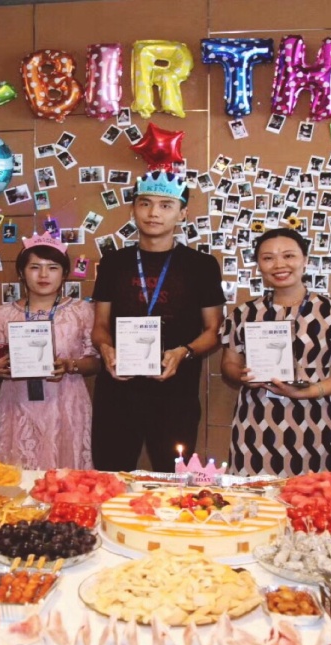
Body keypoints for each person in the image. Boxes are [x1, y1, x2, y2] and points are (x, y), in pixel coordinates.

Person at [90, 170, 225, 472]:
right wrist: (106, 349)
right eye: (145, 203)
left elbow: (214, 331)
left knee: (173, 479)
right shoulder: (113, 263)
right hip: (117, 389)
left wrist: (183, 352)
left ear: (182, 213)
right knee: (110, 475)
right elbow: (99, 326)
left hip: (176, 392)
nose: (153, 213)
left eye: (166, 205)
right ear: (132, 209)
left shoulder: (202, 266)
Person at [220, 228, 331, 476]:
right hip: (254, 421)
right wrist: (243, 376)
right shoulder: (244, 314)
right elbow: (228, 364)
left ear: (305, 260)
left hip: (312, 419)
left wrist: (310, 391)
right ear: (258, 265)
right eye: (268, 258)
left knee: (310, 493)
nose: (279, 265)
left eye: (289, 256)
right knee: (252, 494)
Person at [0, 235, 101, 469]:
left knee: (64, 476)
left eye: (52, 268)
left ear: (64, 273)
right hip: (16, 405)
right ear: (21, 272)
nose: (43, 275)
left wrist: (69, 365)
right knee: (15, 473)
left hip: (65, 403)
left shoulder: (81, 310)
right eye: (35, 267)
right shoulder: (4, 313)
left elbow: (95, 361)